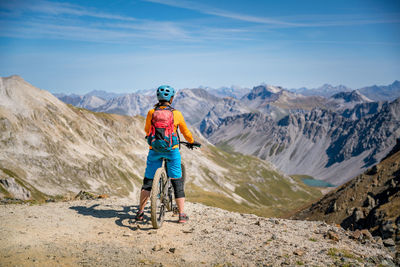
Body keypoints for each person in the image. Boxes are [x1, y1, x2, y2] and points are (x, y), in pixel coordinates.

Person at [136, 85, 198, 223]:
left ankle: (140, 212)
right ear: (171, 98)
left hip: (155, 149)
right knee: (177, 182)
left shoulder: (152, 112)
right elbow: (185, 131)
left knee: (148, 182)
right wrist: (192, 141)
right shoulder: (177, 114)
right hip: (172, 150)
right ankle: (181, 215)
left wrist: (151, 138)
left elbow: (147, 130)